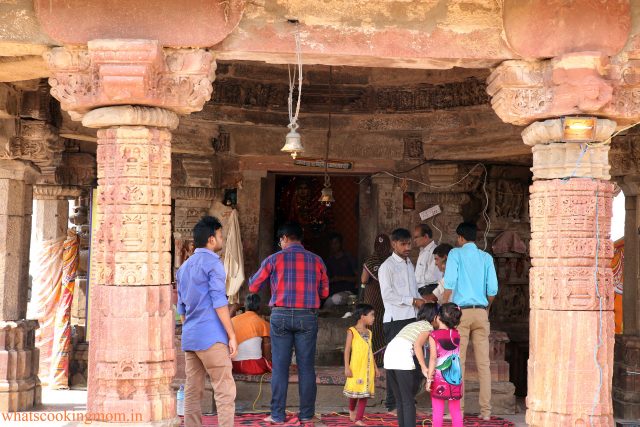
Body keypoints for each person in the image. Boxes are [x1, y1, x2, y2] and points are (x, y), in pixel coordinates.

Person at [248, 222, 329, 425]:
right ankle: (307, 414)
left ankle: (277, 414)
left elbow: (253, 286)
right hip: (307, 316)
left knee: (280, 368)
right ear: (300, 238)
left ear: (284, 239)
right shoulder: (317, 260)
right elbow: (325, 293)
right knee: (306, 368)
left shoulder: (273, 259)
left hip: (281, 315)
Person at [176, 216, 237, 427]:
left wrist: (191, 328)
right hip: (212, 339)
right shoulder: (214, 264)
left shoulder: (184, 267)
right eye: (220, 235)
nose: (222, 239)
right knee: (225, 391)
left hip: (191, 337)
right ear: (211, 239)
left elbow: (181, 308)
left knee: (193, 392)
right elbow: (219, 302)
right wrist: (231, 335)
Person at [442, 222, 498, 420]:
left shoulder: (456, 255)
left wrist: (443, 306)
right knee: (484, 365)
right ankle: (486, 412)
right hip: (481, 313)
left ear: (460, 238)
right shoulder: (486, 257)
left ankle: (458, 411)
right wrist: (486, 308)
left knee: (458, 363)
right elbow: (492, 290)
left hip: (460, 314)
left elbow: (448, 284)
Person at [379, 228, 426, 413]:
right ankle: (392, 404)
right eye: (403, 244)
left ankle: (407, 402)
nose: (407, 247)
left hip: (412, 318)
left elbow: (414, 290)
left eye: (409, 244)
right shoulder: (387, 267)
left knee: (412, 362)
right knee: (394, 363)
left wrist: (421, 303)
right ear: (393, 244)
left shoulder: (409, 264)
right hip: (395, 320)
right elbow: (388, 295)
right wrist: (412, 301)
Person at [383, 304, 438, 427]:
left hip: (389, 356)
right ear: (434, 317)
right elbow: (418, 345)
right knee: (408, 401)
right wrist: (423, 366)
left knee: (400, 399)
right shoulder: (427, 326)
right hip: (402, 356)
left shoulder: (412, 324)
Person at [424, 303, 464, 427]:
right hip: (456, 377)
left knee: (437, 411)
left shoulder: (434, 335)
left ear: (438, 317)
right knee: (456, 410)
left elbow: (433, 359)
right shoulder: (456, 334)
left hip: (439, 378)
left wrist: (429, 379)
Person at [343, 304, 379, 426]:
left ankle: (359, 418)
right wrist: (347, 367)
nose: (374, 318)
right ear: (362, 316)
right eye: (372, 315)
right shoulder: (352, 331)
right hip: (356, 368)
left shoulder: (369, 332)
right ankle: (352, 410)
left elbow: (370, 350)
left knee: (364, 393)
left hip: (368, 369)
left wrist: (375, 367)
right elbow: (347, 350)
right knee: (355, 391)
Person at [360, 234, 392, 364]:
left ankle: (372, 359)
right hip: (386, 298)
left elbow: (364, 279)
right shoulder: (391, 260)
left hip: (372, 298)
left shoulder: (371, 260)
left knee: (372, 326)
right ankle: (384, 358)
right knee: (382, 325)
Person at [230, 293, 271, 375]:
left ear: (245, 307)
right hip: (254, 367)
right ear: (259, 308)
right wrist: (268, 363)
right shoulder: (263, 323)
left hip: (234, 366)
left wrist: (233, 310)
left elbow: (225, 324)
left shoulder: (232, 320)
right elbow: (267, 349)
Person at [413, 224, 442, 296]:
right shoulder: (422, 251)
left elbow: (433, 276)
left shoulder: (435, 251)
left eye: (416, 237)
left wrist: (414, 279)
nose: (414, 240)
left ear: (426, 236)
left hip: (429, 291)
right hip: (421, 290)